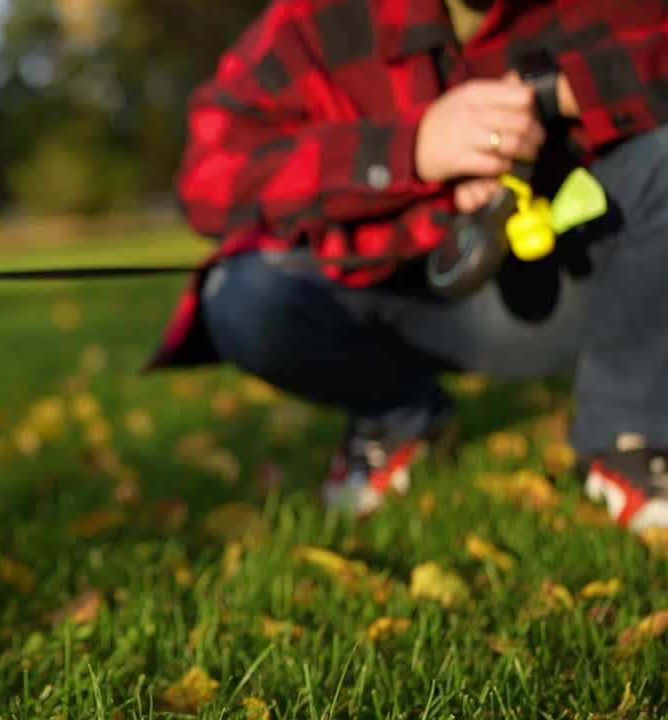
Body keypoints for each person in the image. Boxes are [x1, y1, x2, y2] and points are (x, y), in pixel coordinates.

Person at [149, 0, 668, 530]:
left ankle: (627, 436)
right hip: (372, 289)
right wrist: (409, 149)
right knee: (242, 297)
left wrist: (564, 94)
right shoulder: (315, 18)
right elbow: (207, 175)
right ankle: (402, 416)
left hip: (564, 290)